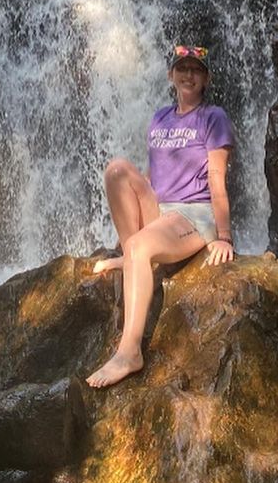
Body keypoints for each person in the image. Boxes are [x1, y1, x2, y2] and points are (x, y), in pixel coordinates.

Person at [86, 43, 235, 389]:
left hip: (193, 215)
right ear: (171, 75)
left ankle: (129, 352)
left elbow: (216, 177)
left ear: (205, 78)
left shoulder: (214, 118)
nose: (188, 75)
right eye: (182, 68)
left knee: (141, 245)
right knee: (117, 169)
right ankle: (133, 258)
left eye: (196, 70)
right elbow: (155, 176)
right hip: (162, 211)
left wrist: (224, 235)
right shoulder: (160, 118)